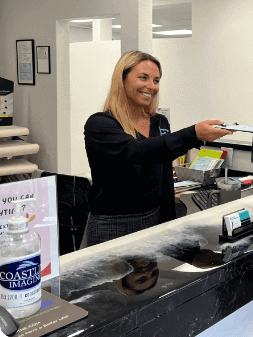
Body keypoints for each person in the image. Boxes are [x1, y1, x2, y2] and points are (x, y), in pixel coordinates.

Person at [83, 50, 232, 247]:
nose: (151, 86)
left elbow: (164, 174)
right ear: (122, 80)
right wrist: (193, 134)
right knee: (119, 279)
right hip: (114, 223)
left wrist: (169, 225)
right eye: (143, 78)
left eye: (156, 80)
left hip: (154, 217)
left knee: (153, 278)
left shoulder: (159, 122)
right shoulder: (100, 124)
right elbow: (136, 151)